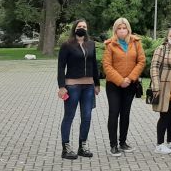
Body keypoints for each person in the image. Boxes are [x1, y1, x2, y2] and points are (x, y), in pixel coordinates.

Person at [57, 19, 100, 160]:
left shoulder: (91, 44)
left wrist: (97, 84)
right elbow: (61, 67)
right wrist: (62, 86)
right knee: (69, 116)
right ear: (75, 28)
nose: (82, 28)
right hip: (72, 86)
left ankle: (83, 146)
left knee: (87, 117)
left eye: (84, 26)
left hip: (88, 86)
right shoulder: (67, 45)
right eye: (79, 26)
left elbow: (94, 65)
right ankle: (66, 148)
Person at [102, 17, 146, 156]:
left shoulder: (136, 42)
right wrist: (120, 80)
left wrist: (130, 78)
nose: (122, 31)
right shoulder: (110, 45)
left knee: (125, 114)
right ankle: (113, 145)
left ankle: (123, 142)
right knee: (114, 113)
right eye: (119, 28)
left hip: (130, 84)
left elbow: (141, 61)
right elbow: (107, 66)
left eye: (124, 28)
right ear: (115, 30)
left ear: (128, 29)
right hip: (114, 85)